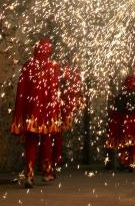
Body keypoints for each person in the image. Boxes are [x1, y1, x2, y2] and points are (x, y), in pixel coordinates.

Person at [11, 38, 61, 188]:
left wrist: (22, 111)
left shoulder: (28, 65)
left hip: (31, 111)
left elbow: (22, 90)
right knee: (46, 140)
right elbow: (54, 91)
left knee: (30, 142)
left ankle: (29, 175)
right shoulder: (53, 66)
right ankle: (47, 173)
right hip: (46, 112)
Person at [105, 75, 135, 169]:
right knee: (133, 145)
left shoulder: (122, 95)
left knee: (124, 144)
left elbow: (118, 108)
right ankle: (130, 162)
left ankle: (125, 161)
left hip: (125, 123)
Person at [51, 62, 84, 170]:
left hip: (59, 109)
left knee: (56, 134)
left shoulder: (66, 75)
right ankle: (55, 159)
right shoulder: (67, 75)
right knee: (56, 134)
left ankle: (55, 158)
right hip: (59, 109)